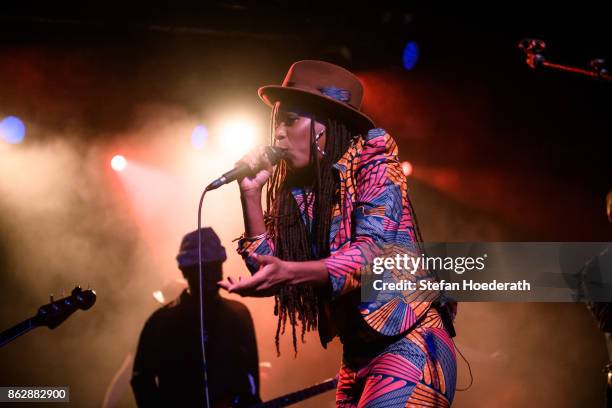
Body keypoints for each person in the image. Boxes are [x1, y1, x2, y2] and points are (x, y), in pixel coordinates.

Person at [218, 60, 457, 407]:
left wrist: (292, 272)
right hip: (357, 356)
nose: (278, 135)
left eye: (290, 121)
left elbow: (370, 255)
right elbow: (269, 269)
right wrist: (250, 195)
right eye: (277, 124)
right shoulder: (300, 192)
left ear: (324, 126)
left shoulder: (374, 162)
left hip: (411, 342)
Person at [131, 228, 260, 407]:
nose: (210, 275)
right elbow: (141, 380)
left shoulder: (238, 314)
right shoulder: (160, 322)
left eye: (215, 267)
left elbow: (251, 377)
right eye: (202, 269)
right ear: (184, 271)